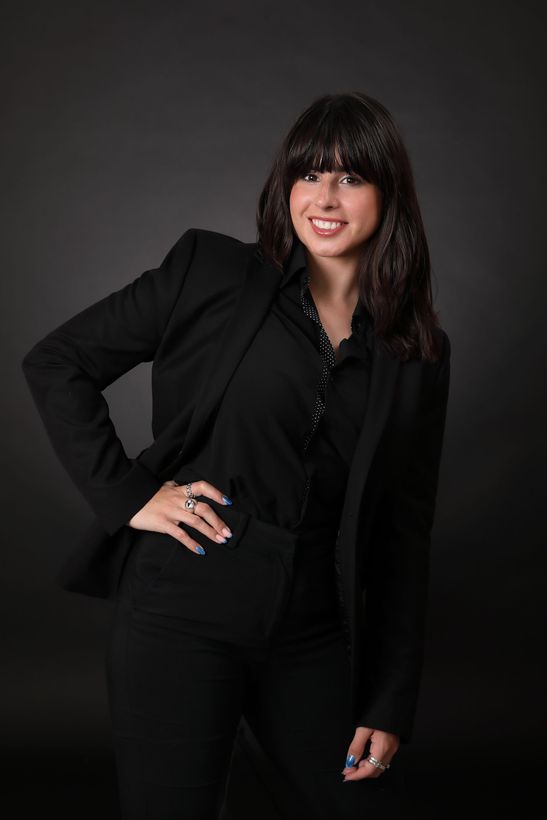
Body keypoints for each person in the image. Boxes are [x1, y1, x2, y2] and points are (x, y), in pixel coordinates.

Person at [21, 91, 451, 819]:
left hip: (314, 627)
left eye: (350, 178)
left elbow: (403, 535)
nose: (323, 197)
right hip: (180, 608)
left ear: (388, 194)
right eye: (308, 173)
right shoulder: (212, 273)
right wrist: (129, 495)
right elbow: (56, 361)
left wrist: (389, 698)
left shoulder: (418, 352)